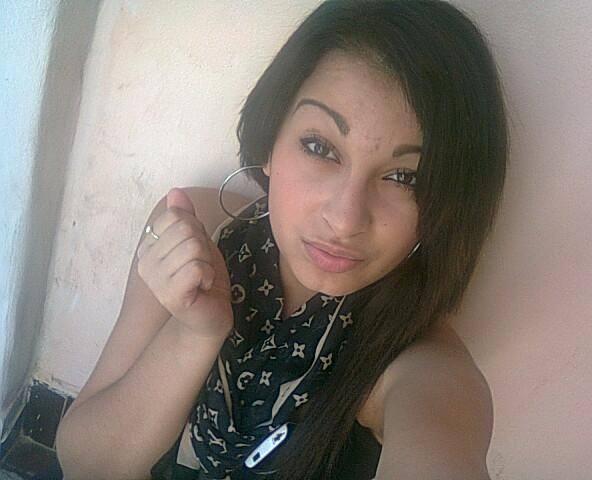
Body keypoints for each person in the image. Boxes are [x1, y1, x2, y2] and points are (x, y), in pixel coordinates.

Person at [56, 0, 507, 478]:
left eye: (404, 177)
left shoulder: (423, 368)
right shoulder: (199, 229)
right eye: (320, 147)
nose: (345, 219)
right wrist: (194, 334)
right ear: (271, 140)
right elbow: (85, 464)